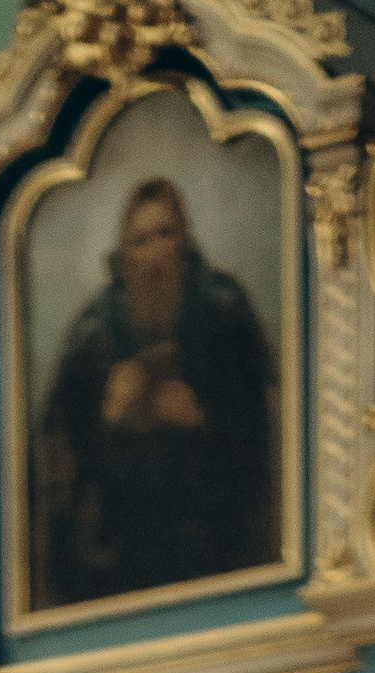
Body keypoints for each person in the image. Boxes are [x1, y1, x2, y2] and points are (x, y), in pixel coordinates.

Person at [32, 171, 276, 608]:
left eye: (166, 233)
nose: (155, 253)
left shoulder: (224, 313)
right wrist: (110, 418)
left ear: (184, 241)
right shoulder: (92, 338)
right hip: (117, 562)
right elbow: (59, 462)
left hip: (219, 553)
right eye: (141, 240)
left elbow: (261, 439)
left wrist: (200, 420)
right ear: (125, 256)